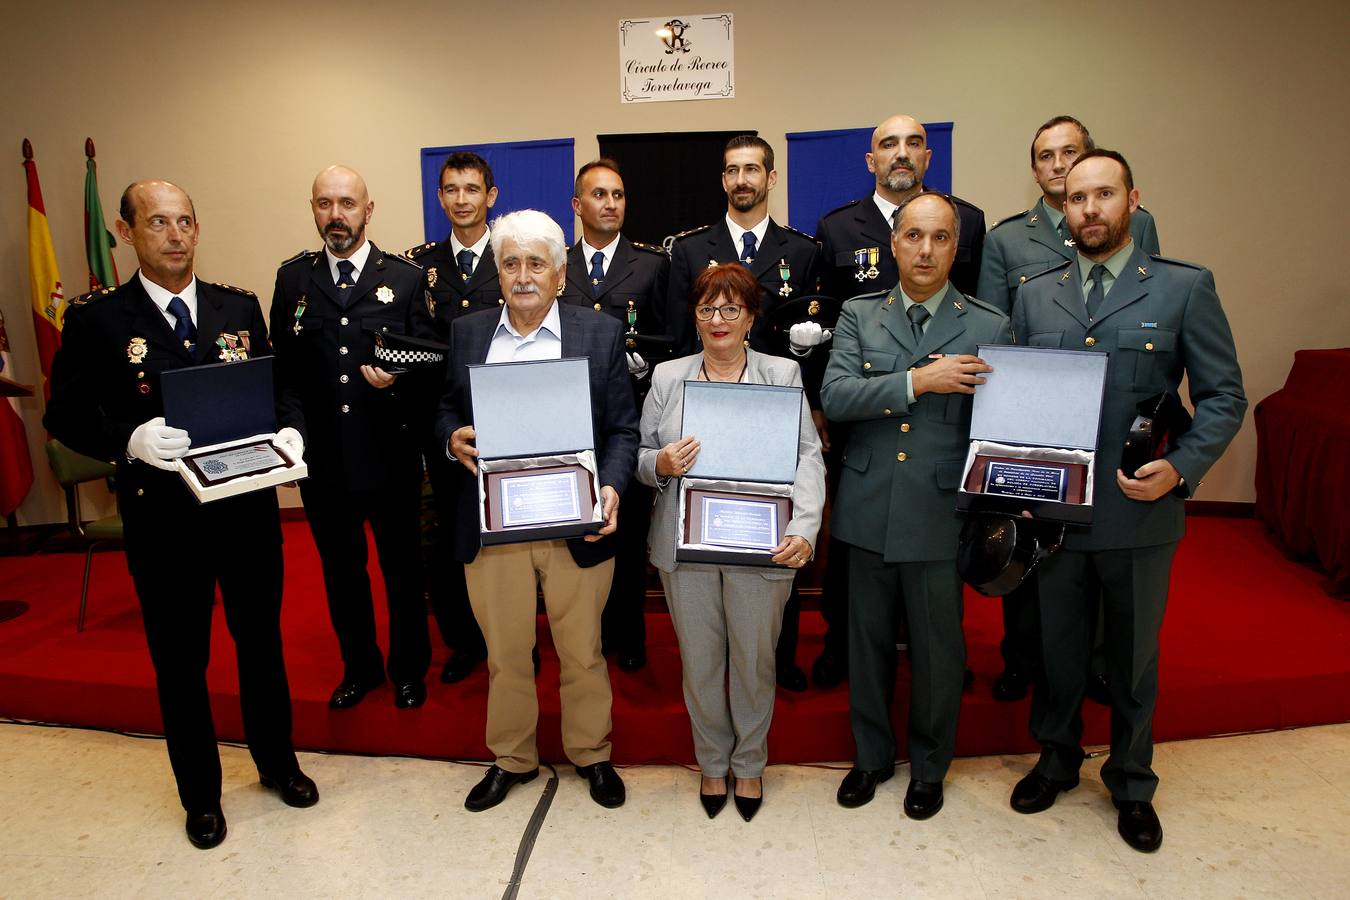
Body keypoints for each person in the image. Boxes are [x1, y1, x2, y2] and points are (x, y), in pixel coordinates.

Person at [44, 180, 317, 850]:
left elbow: (278, 387)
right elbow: (65, 413)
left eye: (185, 221)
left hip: (246, 511)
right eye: (158, 222)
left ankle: (277, 764)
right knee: (181, 659)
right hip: (165, 521)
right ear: (128, 231)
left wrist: (290, 431)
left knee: (261, 645)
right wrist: (127, 441)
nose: (174, 235)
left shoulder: (237, 305)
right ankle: (201, 795)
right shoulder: (99, 319)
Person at [1009, 150, 1245, 853]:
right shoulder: (1034, 293)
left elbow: (1225, 396)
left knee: (1134, 657)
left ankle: (1133, 780)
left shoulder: (1182, 288)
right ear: (1063, 210)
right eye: (1077, 198)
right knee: (1058, 650)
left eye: (1103, 194)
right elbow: (1019, 394)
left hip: (1138, 511)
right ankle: (1055, 760)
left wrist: (1182, 467)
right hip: (1054, 512)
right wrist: (1013, 479)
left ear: (1132, 200)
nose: (1089, 210)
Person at [435, 209, 639, 812]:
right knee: (504, 653)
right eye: (511, 263)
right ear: (497, 272)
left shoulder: (598, 333)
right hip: (493, 525)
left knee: (582, 649)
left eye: (536, 263)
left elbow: (623, 431)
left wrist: (615, 488)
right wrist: (452, 437)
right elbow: (445, 407)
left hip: (577, 520)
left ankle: (591, 753)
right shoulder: (468, 333)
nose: (523, 275)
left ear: (560, 271)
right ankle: (513, 758)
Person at [821, 193, 1012, 820]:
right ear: (893, 244)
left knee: (938, 651)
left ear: (956, 246)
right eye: (912, 237)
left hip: (938, 510)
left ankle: (929, 767)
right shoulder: (858, 314)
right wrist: (916, 382)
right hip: (868, 504)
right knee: (866, 644)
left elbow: (1001, 426)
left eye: (939, 238)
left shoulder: (988, 325)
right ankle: (871, 756)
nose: (925, 250)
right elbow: (838, 395)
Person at [979, 116, 1164, 703]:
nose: (1059, 167)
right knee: (1032, 568)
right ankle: (1023, 662)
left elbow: (1150, 300)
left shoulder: (1140, 230)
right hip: (1044, 436)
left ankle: (1102, 666)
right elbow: (1000, 337)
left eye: (1071, 155)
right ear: (1034, 170)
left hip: (1117, 441)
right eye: (1046, 157)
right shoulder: (1008, 239)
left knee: (1111, 581)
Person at [637, 263, 825, 821]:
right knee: (699, 662)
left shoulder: (782, 375)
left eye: (731, 309)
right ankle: (712, 763)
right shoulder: (669, 377)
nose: (718, 319)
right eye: (707, 309)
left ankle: (750, 765)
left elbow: (808, 456)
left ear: (751, 318)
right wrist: (661, 464)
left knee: (753, 659)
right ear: (694, 317)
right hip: (685, 548)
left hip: (761, 545)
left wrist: (805, 528)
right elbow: (640, 454)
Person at [269, 165, 432, 711]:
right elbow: (284, 372)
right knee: (342, 575)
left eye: (346, 203)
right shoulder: (293, 279)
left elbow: (431, 366)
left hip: (390, 455)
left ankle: (409, 669)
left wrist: (398, 381)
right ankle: (360, 667)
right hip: (325, 462)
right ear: (313, 208)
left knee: (403, 573)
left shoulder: (406, 279)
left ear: (368, 209)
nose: (335, 215)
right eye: (324, 204)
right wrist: (291, 430)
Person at [667, 135, 822, 691]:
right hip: (705, 411)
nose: (741, 179)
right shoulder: (686, 251)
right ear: (722, 179)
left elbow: (817, 340)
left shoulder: (803, 251)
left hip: (776, 410)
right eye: (731, 170)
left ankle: (778, 658)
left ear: (770, 177)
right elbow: (673, 340)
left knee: (775, 540)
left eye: (752, 169)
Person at [558, 159, 671, 673]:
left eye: (619, 195)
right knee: (574, 535)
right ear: (578, 206)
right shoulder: (556, 266)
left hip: (632, 419)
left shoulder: (651, 265)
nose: (610, 204)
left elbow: (672, 341)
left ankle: (627, 635)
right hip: (569, 420)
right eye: (599, 195)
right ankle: (583, 636)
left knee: (624, 531)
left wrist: (649, 366)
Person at [406, 151, 500, 684]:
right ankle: (463, 641)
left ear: (491, 196)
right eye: (450, 189)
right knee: (448, 539)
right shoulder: (417, 264)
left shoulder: (513, 257)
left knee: (508, 536)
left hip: (505, 421)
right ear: (439, 197)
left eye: (471, 189)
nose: (461, 199)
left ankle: (514, 639)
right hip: (444, 425)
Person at [816, 114, 986, 303]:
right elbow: (829, 313)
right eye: (889, 145)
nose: (903, 154)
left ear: (927, 158)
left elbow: (979, 304)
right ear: (871, 162)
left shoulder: (967, 220)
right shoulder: (836, 229)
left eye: (913, 143)